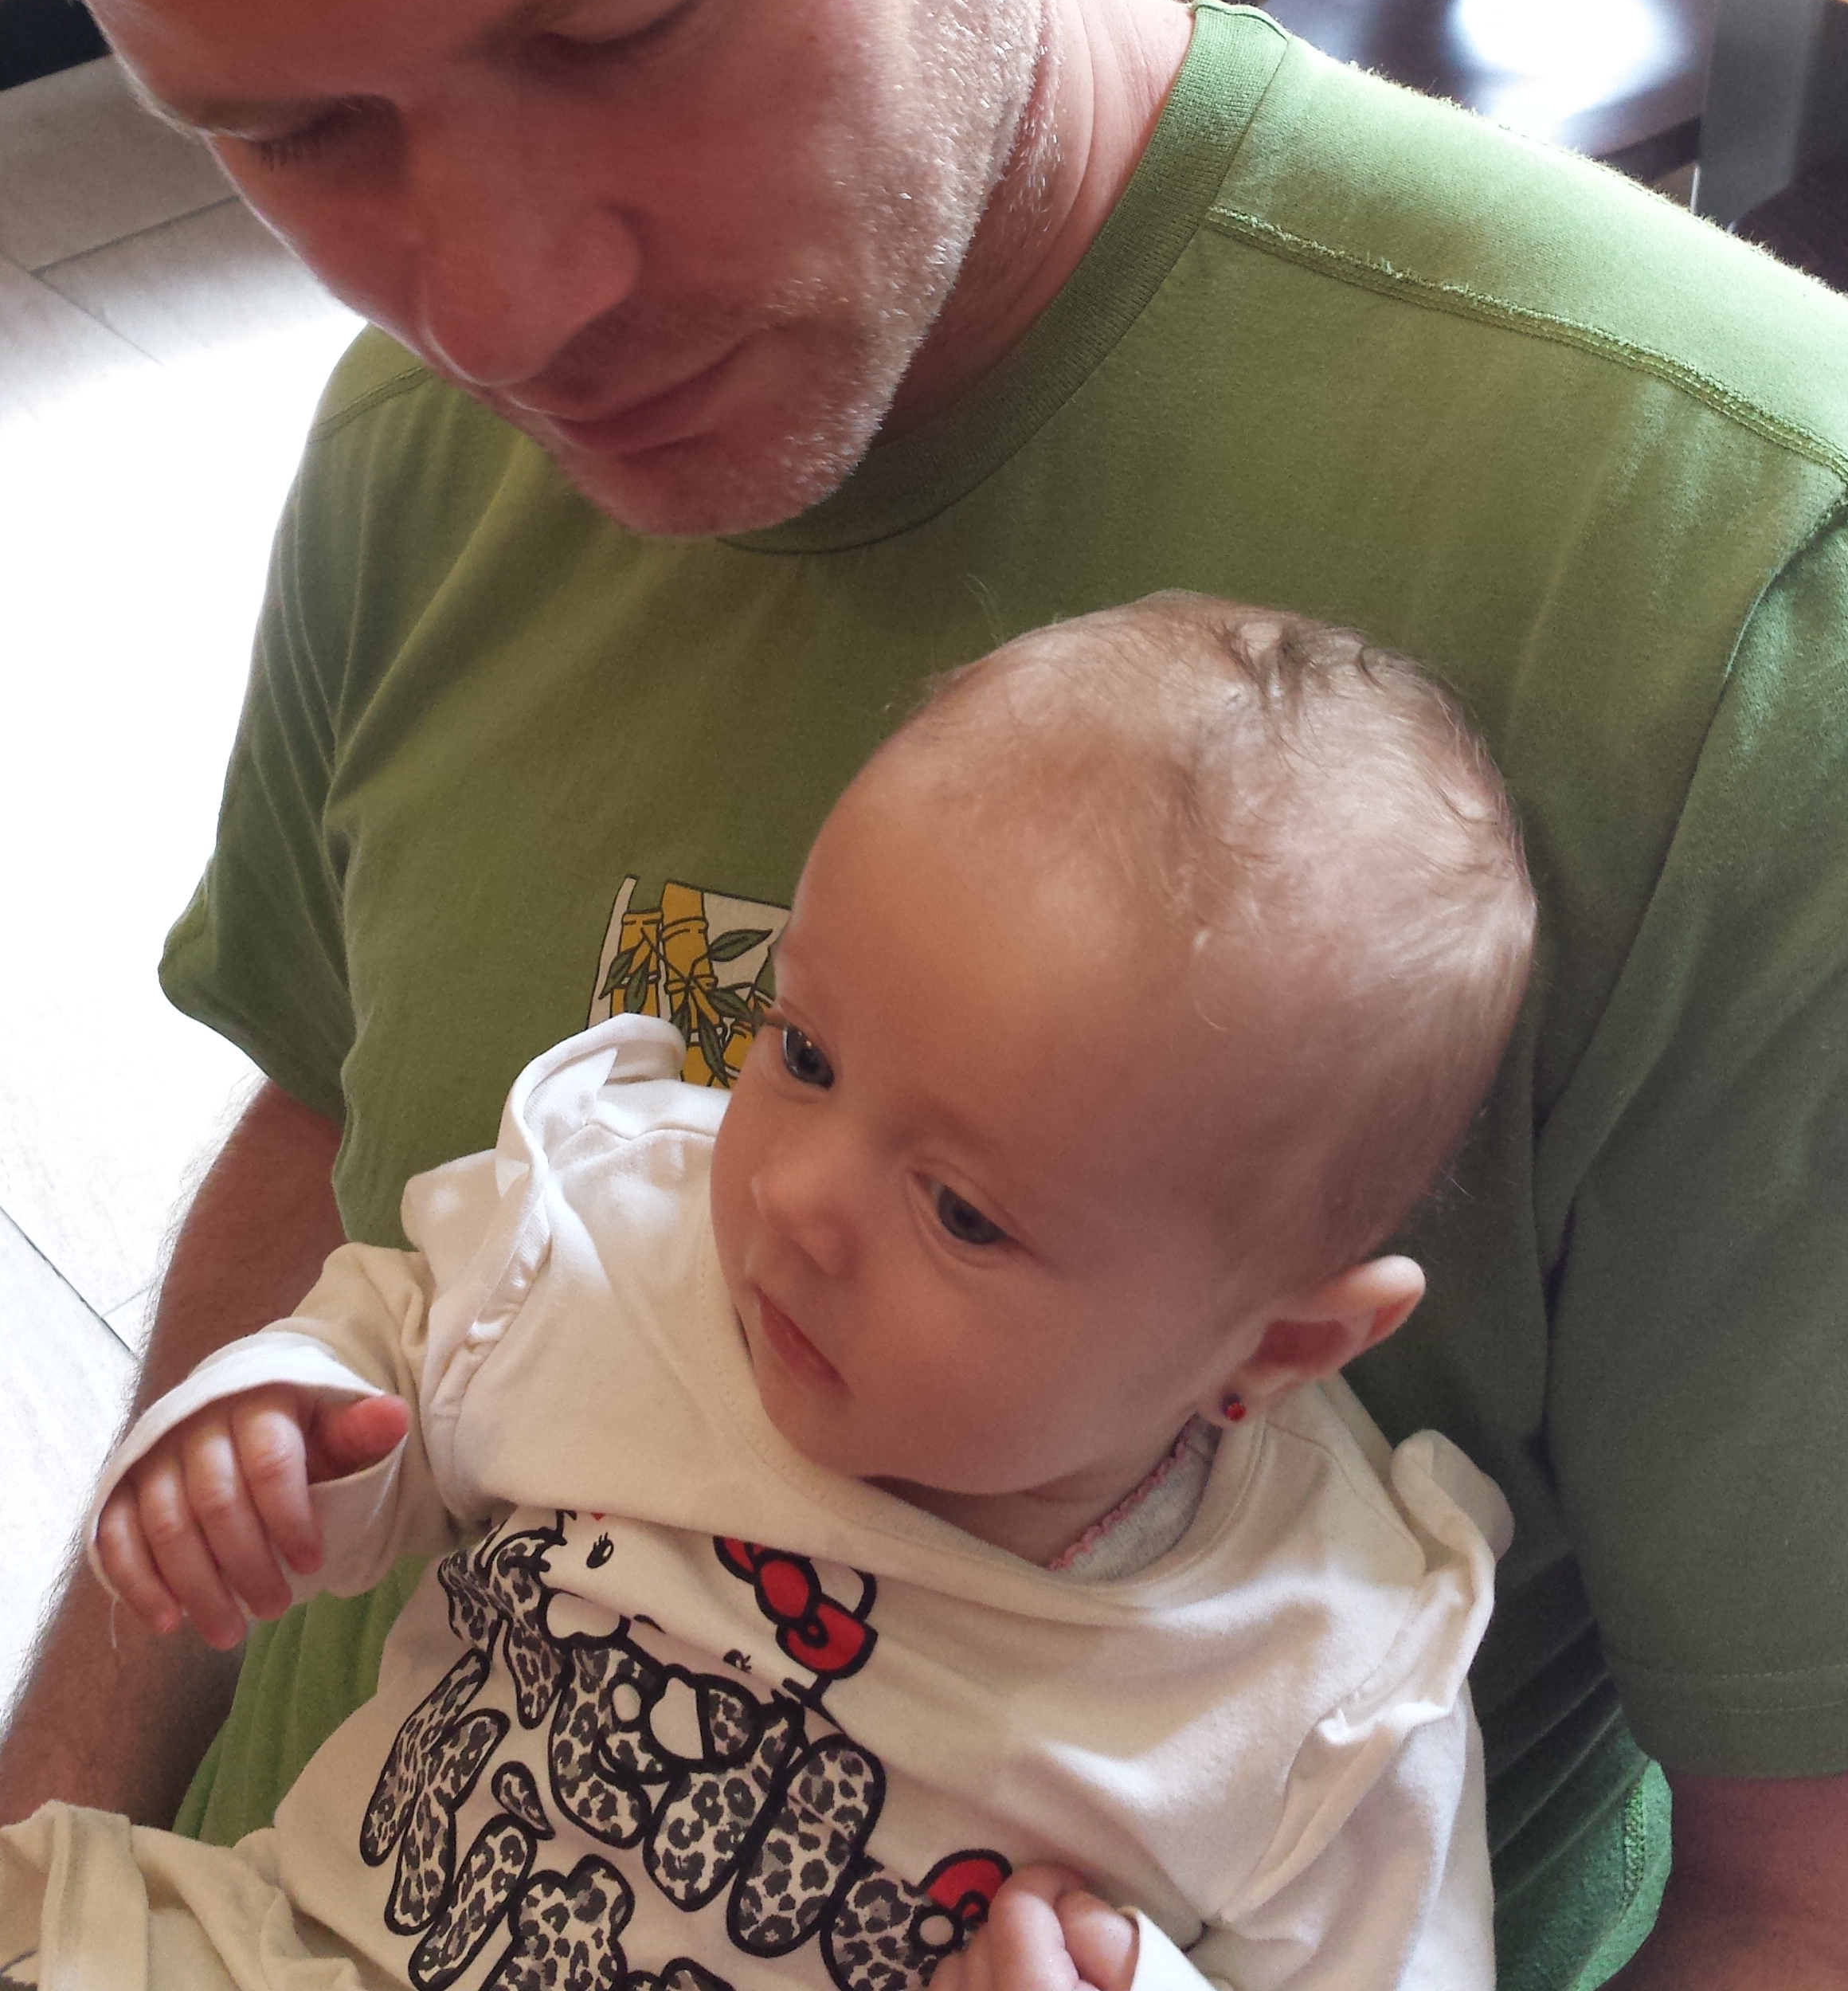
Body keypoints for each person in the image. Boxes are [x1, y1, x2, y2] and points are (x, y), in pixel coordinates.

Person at [1, 0, 1846, 1991]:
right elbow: (331, 1122)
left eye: (629, 18)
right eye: (293, 133)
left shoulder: (1742, 588)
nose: (505, 308)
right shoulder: (416, 445)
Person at [6, 601, 1532, 1991]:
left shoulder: (1318, 1683)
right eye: (802, 1053)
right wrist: (274, 1431)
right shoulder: (625, 1237)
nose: (796, 1198)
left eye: (961, 1211)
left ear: (1277, 1343)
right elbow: (399, 1353)